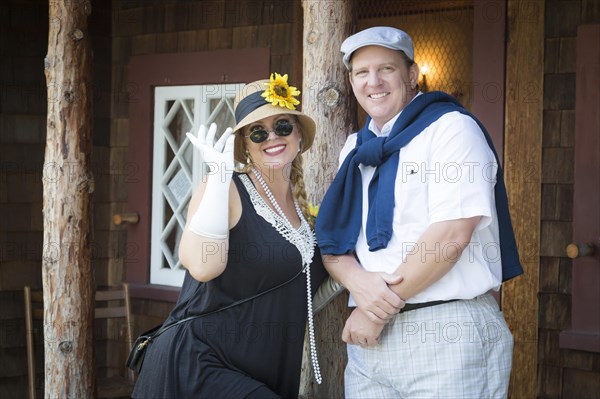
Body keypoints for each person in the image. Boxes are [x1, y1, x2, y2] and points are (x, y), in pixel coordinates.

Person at [315, 26, 524, 398]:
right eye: (361, 73)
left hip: (445, 332)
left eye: (387, 69)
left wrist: (376, 309)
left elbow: (450, 236)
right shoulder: (355, 149)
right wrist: (361, 287)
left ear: (411, 75)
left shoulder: (452, 130)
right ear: (351, 81)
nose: (373, 82)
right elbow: (335, 242)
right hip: (369, 344)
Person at [132, 73, 328, 399]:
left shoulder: (307, 211)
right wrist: (220, 177)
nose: (271, 137)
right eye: (257, 132)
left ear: (296, 133)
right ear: (245, 144)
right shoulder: (226, 189)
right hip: (200, 366)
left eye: (281, 126)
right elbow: (201, 266)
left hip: (264, 371)